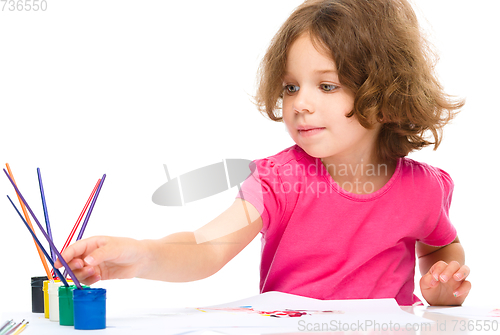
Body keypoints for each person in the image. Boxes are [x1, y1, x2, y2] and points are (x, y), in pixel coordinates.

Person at [55, 0, 471, 306]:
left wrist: (441, 285)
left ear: (385, 96)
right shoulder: (279, 180)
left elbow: (439, 247)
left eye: (326, 86)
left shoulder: (424, 189)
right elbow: (206, 246)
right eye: (291, 86)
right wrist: (142, 255)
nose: (300, 104)